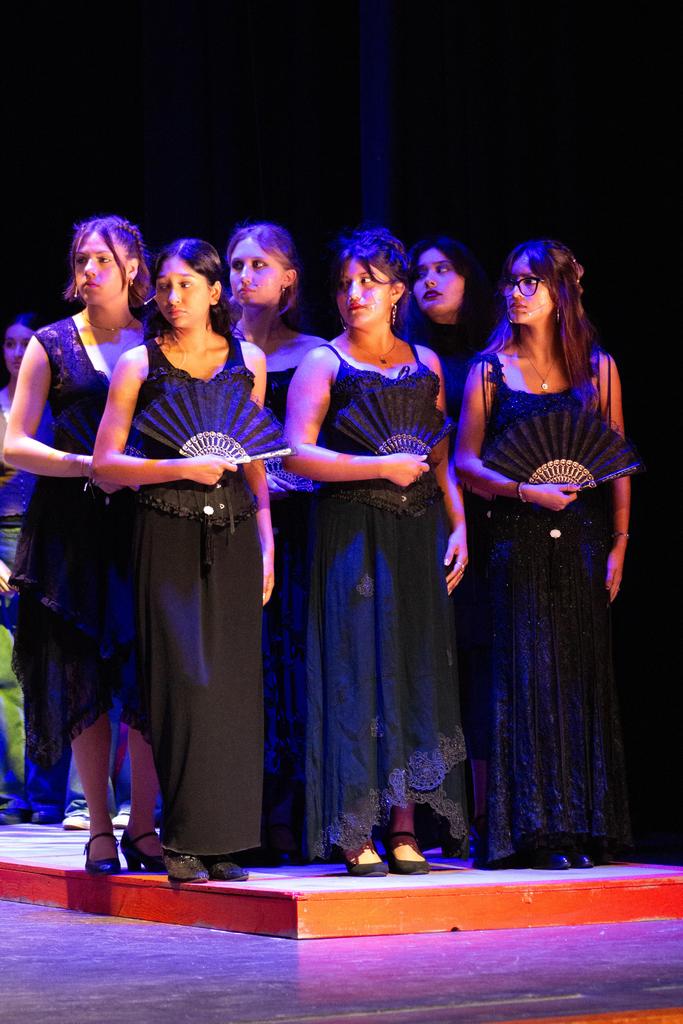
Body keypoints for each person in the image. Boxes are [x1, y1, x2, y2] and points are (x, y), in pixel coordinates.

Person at [285, 227, 468, 876]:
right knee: (355, 673)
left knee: (413, 672)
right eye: (344, 284)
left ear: (397, 292)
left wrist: (459, 525)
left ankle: (403, 825)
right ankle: (353, 827)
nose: (353, 294)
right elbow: (296, 453)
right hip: (352, 531)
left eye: (368, 282)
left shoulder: (426, 363)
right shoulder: (324, 362)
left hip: (417, 532)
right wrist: (377, 466)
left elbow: (439, 455)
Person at [93, 238, 273, 883]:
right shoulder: (138, 363)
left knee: (231, 688)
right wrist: (178, 467)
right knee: (182, 684)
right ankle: (181, 838)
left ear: (215, 291)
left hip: (235, 529)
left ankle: (222, 842)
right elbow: (106, 464)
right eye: (165, 286)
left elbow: (255, 456)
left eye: (186, 285)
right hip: (164, 528)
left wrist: (268, 539)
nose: (172, 297)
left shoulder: (247, 360)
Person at [455, 239, 632, 869]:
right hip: (516, 539)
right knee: (524, 679)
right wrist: (523, 490)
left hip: (583, 538)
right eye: (512, 281)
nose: (516, 292)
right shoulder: (488, 371)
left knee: (579, 677)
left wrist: (620, 542)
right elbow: (466, 462)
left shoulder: (598, 370)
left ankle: (583, 824)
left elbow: (617, 461)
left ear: (561, 293)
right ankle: (530, 831)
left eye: (531, 282)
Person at [3, 216, 162, 874]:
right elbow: (14, 443)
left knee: (147, 678)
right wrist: (83, 465)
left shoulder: (157, 337)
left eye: (103, 259)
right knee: (84, 677)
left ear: (133, 267)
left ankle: (145, 826)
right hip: (72, 524)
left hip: (144, 521)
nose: (89, 270)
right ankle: (98, 826)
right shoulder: (51, 343)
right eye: (81, 260)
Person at [226, 221, 324, 860]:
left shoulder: (316, 352)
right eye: (236, 265)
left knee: (298, 662)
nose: (244, 276)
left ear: (289, 277)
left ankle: (296, 810)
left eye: (259, 264)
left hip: (304, 522)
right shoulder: (215, 348)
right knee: (245, 662)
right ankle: (246, 813)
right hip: (234, 517)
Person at [408, 237, 494, 854]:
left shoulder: (494, 354)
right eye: (420, 272)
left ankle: (486, 812)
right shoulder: (411, 356)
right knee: (433, 663)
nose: (430, 281)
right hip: (428, 518)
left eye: (444, 269)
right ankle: (437, 813)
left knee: (484, 666)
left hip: (497, 519)